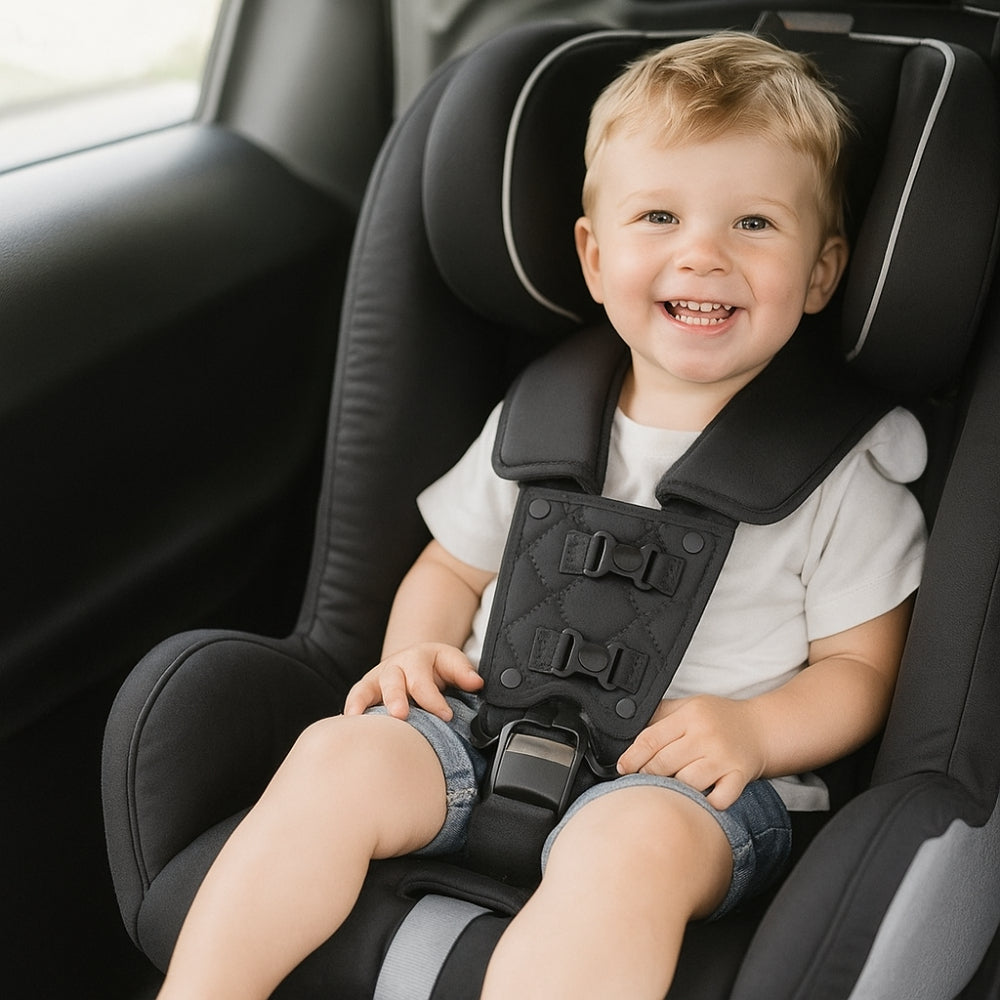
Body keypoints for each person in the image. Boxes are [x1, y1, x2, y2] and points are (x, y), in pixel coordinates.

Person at [156, 31, 927, 1000]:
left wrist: (756, 732)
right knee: (337, 753)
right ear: (595, 257)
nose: (702, 252)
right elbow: (450, 569)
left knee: (624, 841)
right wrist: (414, 652)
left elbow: (860, 671)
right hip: (485, 725)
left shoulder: (844, 472)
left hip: (688, 786)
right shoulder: (535, 422)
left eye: (754, 225)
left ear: (821, 272)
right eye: (659, 215)